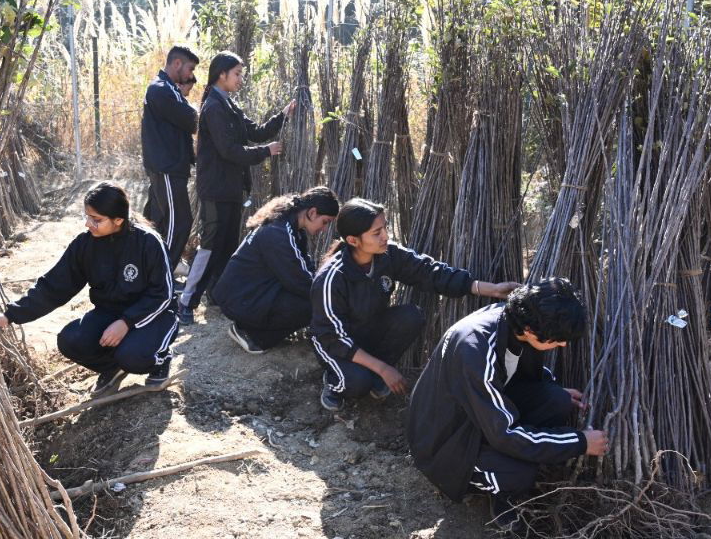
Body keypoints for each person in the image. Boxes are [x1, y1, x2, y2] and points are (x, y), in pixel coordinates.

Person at [406, 278, 608, 530]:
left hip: (479, 417)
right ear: (531, 331)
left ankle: (506, 463)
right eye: (557, 340)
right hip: (446, 441)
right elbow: (505, 434)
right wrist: (579, 442)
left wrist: (551, 387)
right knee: (519, 474)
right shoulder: (475, 348)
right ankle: (500, 490)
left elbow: (512, 369)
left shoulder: (513, 321)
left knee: (557, 400)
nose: (563, 344)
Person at [309, 198, 518, 412]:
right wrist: (384, 368)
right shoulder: (332, 278)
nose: (385, 236)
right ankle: (335, 380)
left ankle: (373, 373)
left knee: (411, 316)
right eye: (376, 232)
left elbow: (429, 272)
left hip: (368, 330)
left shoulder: (387, 255)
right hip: (334, 344)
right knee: (357, 384)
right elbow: (333, 337)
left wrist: (488, 289)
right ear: (353, 241)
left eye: (385, 228)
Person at [0, 182, 177, 397]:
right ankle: (111, 368)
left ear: (118, 220)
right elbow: (53, 287)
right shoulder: (85, 245)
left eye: (96, 220)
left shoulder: (148, 242)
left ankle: (161, 360)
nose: (88, 224)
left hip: (153, 315)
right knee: (71, 340)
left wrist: (127, 322)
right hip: (109, 313)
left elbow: (163, 294)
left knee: (132, 356)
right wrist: (10, 315)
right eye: (87, 217)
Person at [178, 51, 294, 325]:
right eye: (238, 74)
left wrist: (283, 116)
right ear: (222, 75)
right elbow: (229, 151)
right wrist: (266, 152)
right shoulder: (214, 108)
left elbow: (255, 132)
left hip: (230, 188)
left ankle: (217, 295)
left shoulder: (228, 105)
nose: (241, 79)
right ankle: (186, 302)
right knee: (210, 246)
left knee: (228, 244)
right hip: (215, 189)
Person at [212, 186, 339, 354]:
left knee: (314, 299)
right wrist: (335, 298)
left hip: (248, 295)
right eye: (325, 222)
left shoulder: (291, 227)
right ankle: (252, 334)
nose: (324, 229)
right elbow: (301, 282)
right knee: (313, 305)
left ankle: (254, 326)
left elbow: (305, 267)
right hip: (241, 301)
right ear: (312, 213)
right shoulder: (279, 234)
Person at [141, 45, 200, 284]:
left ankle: (151, 269)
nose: (190, 75)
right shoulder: (160, 89)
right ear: (177, 64)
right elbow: (191, 119)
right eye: (190, 69)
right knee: (181, 221)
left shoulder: (169, 90)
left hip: (170, 168)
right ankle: (165, 273)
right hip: (166, 168)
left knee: (158, 221)